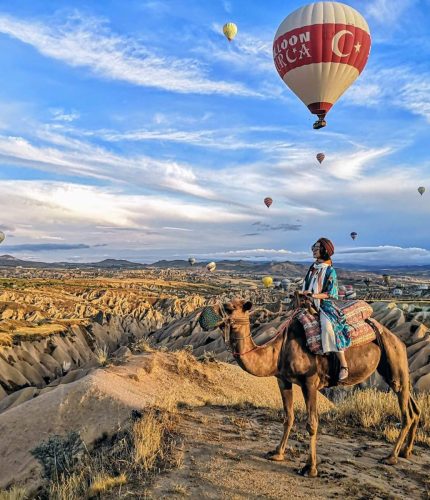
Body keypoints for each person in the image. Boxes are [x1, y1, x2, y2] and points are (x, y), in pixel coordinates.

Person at [301, 238, 351, 381]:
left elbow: (332, 293)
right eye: (313, 247)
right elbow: (306, 285)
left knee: (328, 327)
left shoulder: (330, 271)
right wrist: (303, 293)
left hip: (324, 305)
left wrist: (314, 295)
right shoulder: (313, 267)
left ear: (324, 251)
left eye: (317, 248)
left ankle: (343, 364)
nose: (314, 250)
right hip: (308, 303)